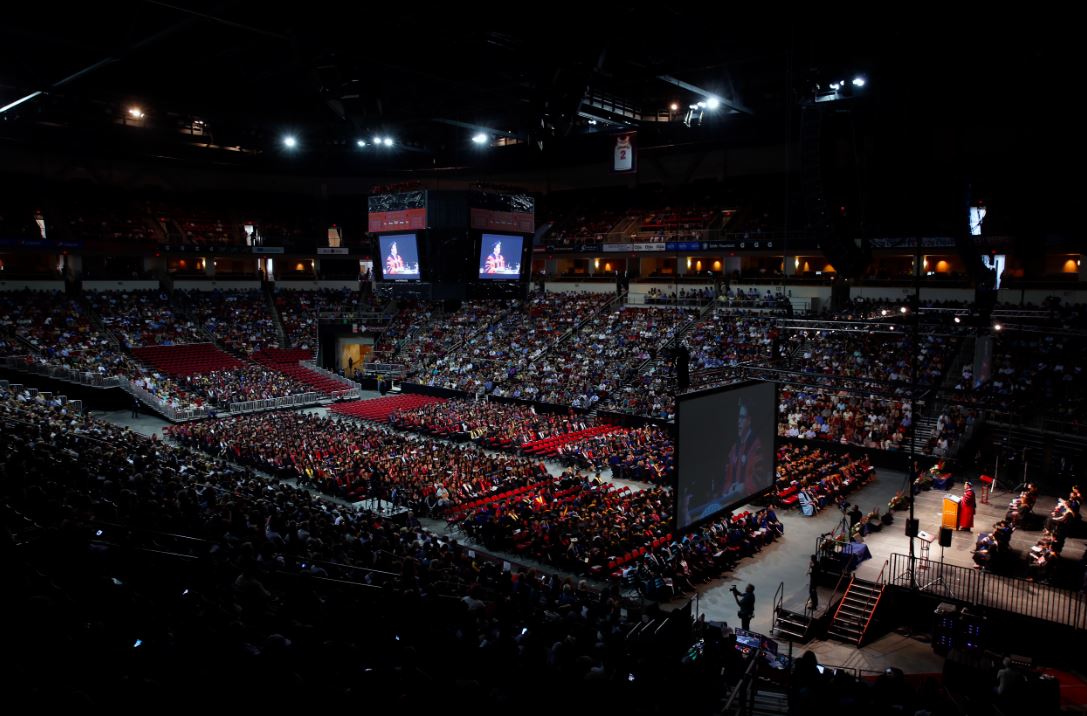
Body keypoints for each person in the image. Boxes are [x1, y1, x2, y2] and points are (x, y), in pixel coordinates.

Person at [724, 398, 765, 500]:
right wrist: (726, 492)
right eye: (738, 417)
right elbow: (728, 478)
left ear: (749, 420)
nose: (739, 422)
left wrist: (743, 487)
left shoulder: (757, 445)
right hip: (732, 499)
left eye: (742, 417)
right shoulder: (734, 448)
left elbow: (760, 476)